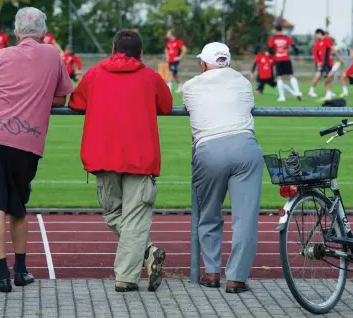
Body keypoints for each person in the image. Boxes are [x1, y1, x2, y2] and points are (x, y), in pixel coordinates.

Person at [0, 7, 74, 293]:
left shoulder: (0, 56)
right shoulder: (52, 55)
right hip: (27, 141)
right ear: (43, 32)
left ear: (15, 32)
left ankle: (1, 276)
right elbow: (61, 97)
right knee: (18, 207)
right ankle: (21, 271)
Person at [68, 29, 173, 293]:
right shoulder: (150, 77)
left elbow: (76, 102)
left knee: (114, 214)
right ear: (140, 53)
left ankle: (126, 276)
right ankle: (147, 252)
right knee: (133, 218)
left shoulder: (94, 74)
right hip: (140, 156)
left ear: (113, 49)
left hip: (102, 155)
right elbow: (167, 105)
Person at [182, 42, 263, 294]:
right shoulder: (243, 82)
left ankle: (212, 272)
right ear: (226, 61)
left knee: (208, 213)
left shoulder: (191, 86)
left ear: (203, 64)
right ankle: (237, 279)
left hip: (209, 149)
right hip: (245, 146)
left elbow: (190, 106)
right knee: (245, 218)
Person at [267, 24, 302, 101]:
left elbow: (270, 49)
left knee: (279, 77)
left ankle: (282, 97)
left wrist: (272, 56)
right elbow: (294, 47)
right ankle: (297, 92)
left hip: (278, 60)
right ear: (281, 30)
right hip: (286, 59)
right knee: (291, 76)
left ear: (276, 30)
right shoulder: (286, 38)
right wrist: (298, 55)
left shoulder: (273, 39)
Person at [315, 29, 343, 100]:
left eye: (316, 34)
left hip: (328, 64)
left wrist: (339, 59)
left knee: (327, 79)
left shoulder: (326, 40)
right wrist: (319, 62)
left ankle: (328, 95)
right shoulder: (319, 42)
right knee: (326, 79)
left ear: (320, 34)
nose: (316, 36)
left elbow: (333, 49)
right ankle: (328, 95)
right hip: (324, 64)